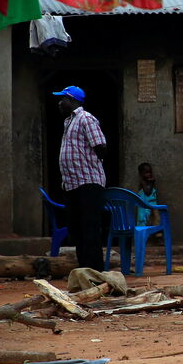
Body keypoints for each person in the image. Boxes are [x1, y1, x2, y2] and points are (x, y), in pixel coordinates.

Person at [53, 85, 106, 271]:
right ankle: (83, 270)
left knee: (90, 229)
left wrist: (88, 165)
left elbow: (100, 146)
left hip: (88, 182)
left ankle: (95, 272)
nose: (59, 103)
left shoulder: (85, 118)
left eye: (62, 99)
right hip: (72, 184)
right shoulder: (68, 122)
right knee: (76, 230)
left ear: (72, 100)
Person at [136, 162, 160, 228]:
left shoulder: (149, 181)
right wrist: (151, 182)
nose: (149, 174)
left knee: (156, 219)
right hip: (145, 207)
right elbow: (147, 192)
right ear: (141, 174)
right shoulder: (143, 182)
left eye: (150, 172)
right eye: (146, 173)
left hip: (153, 205)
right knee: (144, 221)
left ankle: (158, 234)